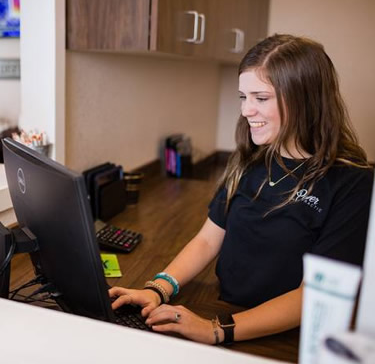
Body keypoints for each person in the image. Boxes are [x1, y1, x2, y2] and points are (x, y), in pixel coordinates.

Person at [109, 34, 373, 345]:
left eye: (260, 98)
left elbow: (312, 296)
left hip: (284, 336)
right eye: (243, 97)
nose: (247, 110)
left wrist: (216, 330)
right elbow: (208, 240)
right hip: (224, 308)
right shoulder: (250, 159)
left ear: (305, 99)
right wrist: (158, 289)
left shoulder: (352, 181)